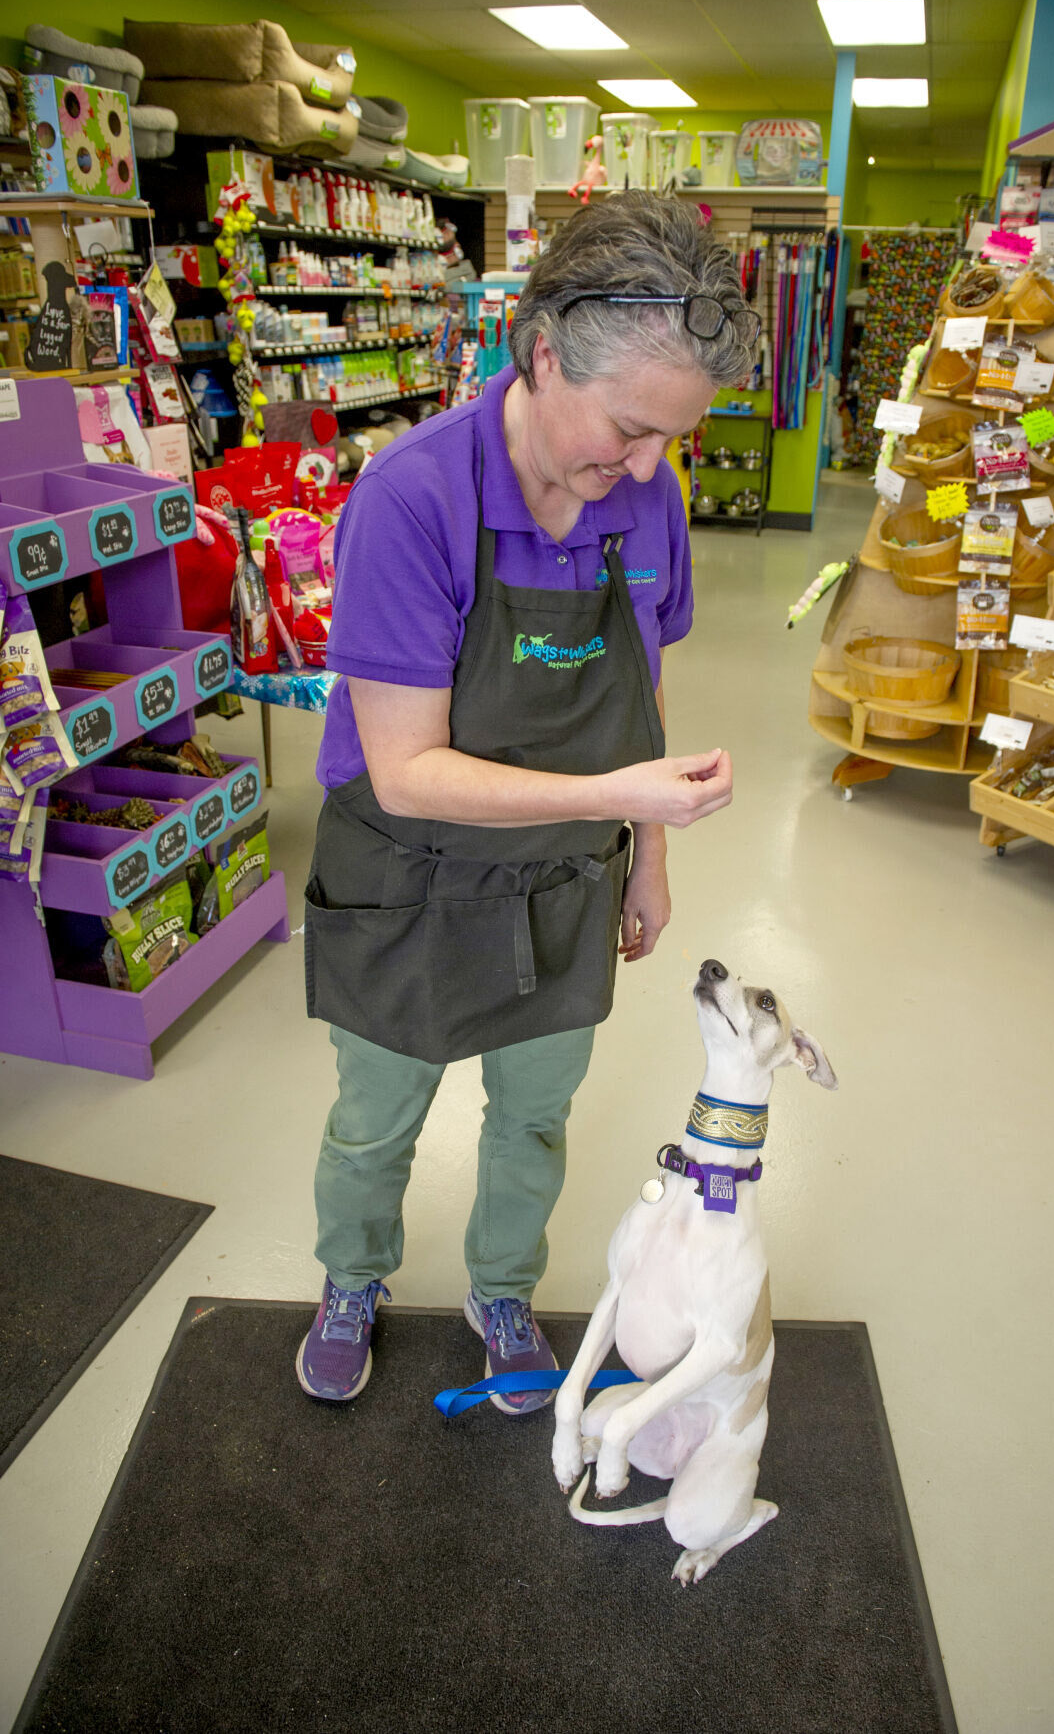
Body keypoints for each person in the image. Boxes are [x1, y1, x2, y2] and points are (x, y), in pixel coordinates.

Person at [297, 189, 760, 1411]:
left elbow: (639, 689)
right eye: (626, 429)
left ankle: (501, 1288)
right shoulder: (412, 498)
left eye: (673, 439)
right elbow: (407, 769)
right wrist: (616, 795)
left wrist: (647, 858)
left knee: (534, 1117)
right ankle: (352, 1277)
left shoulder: (643, 494)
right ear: (543, 349)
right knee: (374, 1118)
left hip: (562, 877)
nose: (647, 468)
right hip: (404, 874)